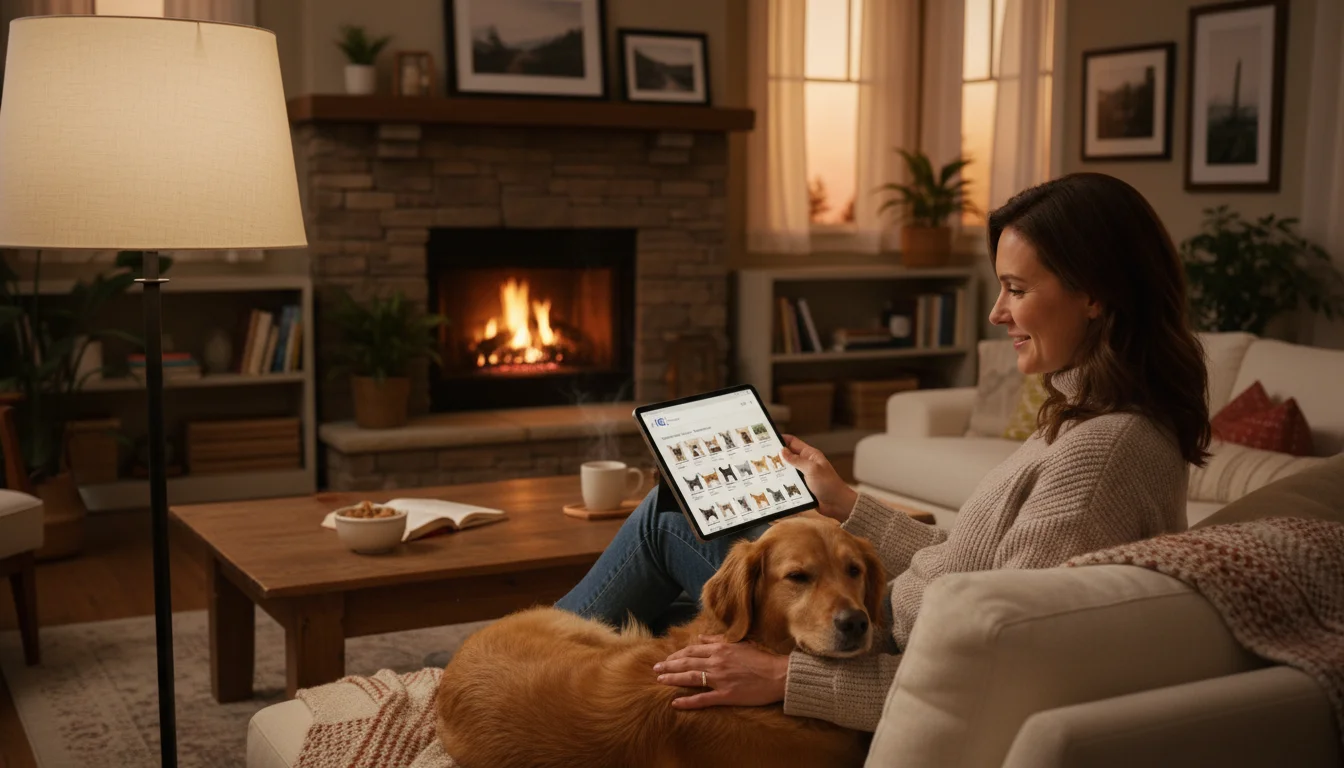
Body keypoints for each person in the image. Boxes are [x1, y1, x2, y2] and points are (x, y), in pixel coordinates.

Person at [555, 172, 1211, 731]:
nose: (997, 314)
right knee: (683, 548)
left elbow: (1000, 664)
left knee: (665, 522)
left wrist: (786, 677)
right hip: (874, 610)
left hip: (865, 638)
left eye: (1015, 288)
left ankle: (525, 654)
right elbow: (970, 564)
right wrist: (843, 503)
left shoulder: (1099, 458)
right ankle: (546, 657)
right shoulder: (1097, 421)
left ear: (1095, 295)